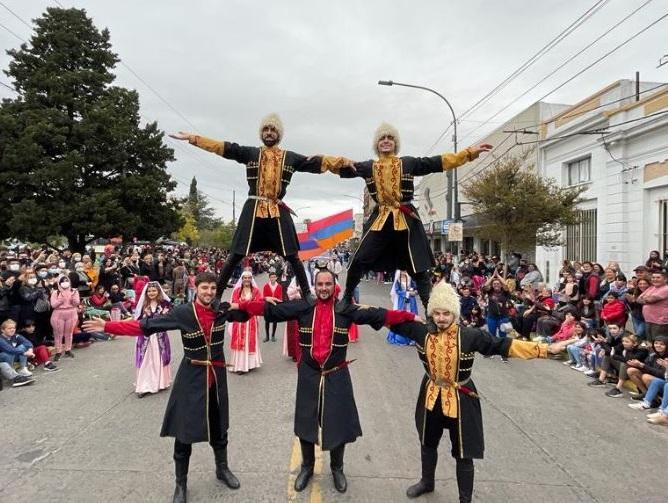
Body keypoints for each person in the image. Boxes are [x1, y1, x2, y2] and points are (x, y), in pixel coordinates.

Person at [231, 269, 416, 494]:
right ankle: (307, 467)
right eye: (320, 284)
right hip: (309, 374)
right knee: (305, 422)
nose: (324, 288)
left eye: (328, 284)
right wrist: (241, 306)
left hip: (336, 373)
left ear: (334, 285)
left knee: (338, 422)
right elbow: (272, 310)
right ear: (315, 286)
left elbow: (378, 315)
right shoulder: (303, 307)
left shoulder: (345, 309)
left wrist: (409, 317)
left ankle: (337, 468)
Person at [385, 282, 564, 502]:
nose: (441, 318)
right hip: (431, 393)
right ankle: (427, 482)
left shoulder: (470, 336)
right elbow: (382, 318)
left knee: (464, 451)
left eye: (446, 313)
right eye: (437, 313)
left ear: (455, 313)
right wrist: (348, 308)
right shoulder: (420, 331)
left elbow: (504, 345)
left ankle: (465, 499)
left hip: (462, 397)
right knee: (427, 441)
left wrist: (545, 349)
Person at [83, 272, 250, 502]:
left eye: (212, 288)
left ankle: (222, 469)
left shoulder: (222, 311)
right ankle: (180, 484)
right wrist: (110, 326)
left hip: (216, 379)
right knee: (184, 433)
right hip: (191, 378)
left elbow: (248, 313)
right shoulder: (183, 313)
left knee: (219, 428)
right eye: (204, 288)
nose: (209, 292)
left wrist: (256, 303)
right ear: (197, 289)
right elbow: (147, 326)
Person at [170, 114, 348, 299]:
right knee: (236, 254)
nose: (269, 132)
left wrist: (345, 162)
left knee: (293, 255)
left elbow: (318, 163)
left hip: (277, 209)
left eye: (273, 130)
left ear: (279, 134)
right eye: (266, 129)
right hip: (253, 207)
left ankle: (307, 294)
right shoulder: (251, 154)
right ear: (261, 133)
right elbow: (223, 148)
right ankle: (217, 296)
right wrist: (194, 138)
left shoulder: (290, 157)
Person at [338, 123, 491, 310]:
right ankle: (347, 297)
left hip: (406, 219)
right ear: (376, 144)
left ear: (396, 143)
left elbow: (437, 162)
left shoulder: (408, 163)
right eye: (382, 138)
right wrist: (317, 162)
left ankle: (430, 311)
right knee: (359, 258)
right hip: (380, 219)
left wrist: (468, 153)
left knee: (418, 268)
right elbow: (343, 166)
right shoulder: (368, 167)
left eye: (390, 138)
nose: (386, 141)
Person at [133, 282, 172, 398]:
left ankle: (161, 382)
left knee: (159, 358)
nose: (151, 293)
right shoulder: (143, 305)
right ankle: (144, 385)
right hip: (146, 337)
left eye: (154, 290)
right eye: (149, 291)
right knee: (146, 360)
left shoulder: (165, 304)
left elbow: (171, 316)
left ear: (159, 291)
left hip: (160, 336)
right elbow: (137, 320)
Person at [228, 270, 263, 373]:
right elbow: (234, 303)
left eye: (249, 277)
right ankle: (240, 366)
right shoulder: (236, 291)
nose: (247, 279)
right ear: (242, 279)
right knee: (239, 341)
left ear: (251, 279)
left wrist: (244, 305)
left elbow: (258, 303)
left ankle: (250, 364)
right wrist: (247, 304)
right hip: (239, 320)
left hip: (251, 319)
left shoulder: (256, 291)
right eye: (245, 278)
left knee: (249, 341)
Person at [50, 275, 80, 361]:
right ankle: (58, 351)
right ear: (59, 283)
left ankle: (68, 349)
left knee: (69, 333)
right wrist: (61, 300)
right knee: (58, 334)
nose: (65, 283)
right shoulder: (55, 292)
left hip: (71, 313)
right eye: (62, 281)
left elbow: (76, 303)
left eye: (66, 281)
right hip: (58, 313)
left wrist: (73, 298)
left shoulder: (74, 291)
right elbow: (53, 305)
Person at [387, 270, 418, 346]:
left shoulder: (410, 278)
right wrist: (407, 293)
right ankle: (401, 339)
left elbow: (415, 287)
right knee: (402, 318)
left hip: (411, 301)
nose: (404, 272)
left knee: (412, 317)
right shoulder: (398, 280)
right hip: (402, 301)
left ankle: (412, 338)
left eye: (405, 270)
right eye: (402, 270)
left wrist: (415, 292)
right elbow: (397, 291)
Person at [262, 272, 282, 342]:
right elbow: (264, 296)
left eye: (274, 277)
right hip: (267, 306)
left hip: (275, 306)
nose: (273, 278)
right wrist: (269, 299)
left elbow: (279, 297)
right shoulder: (266, 286)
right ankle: (267, 336)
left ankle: (273, 335)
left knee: (275, 321)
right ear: (269, 278)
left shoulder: (279, 286)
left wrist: (277, 303)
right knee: (267, 321)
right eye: (271, 277)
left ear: (276, 278)